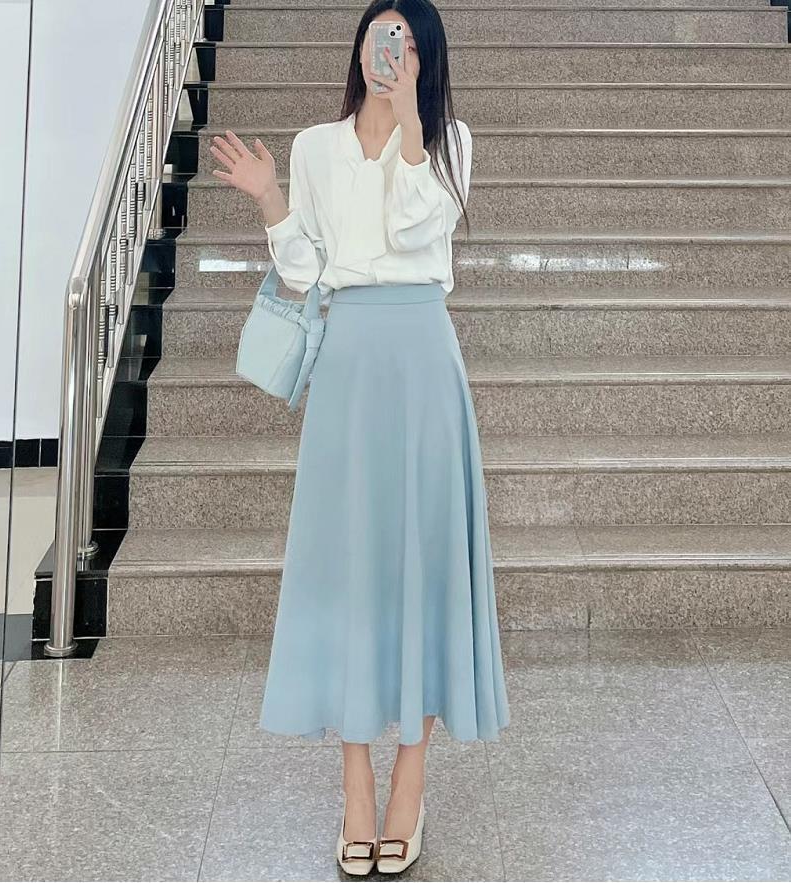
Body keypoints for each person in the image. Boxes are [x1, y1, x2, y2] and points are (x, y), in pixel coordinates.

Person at [210, 0, 510, 873]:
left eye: (407, 42)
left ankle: (409, 783)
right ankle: (354, 786)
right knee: (346, 567)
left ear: (427, 57)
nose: (392, 52)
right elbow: (307, 268)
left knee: (424, 566)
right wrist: (270, 198)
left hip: (424, 358)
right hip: (348, 362)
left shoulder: (450, 144)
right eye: (382, 37)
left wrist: (412, 120)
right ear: (360, 48)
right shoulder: (315, 146)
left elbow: (419, 227)